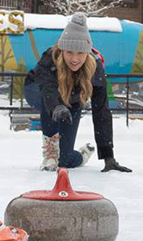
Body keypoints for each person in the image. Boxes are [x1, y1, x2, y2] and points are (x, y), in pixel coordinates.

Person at [24, 12, 132, 173]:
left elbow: (101, 111)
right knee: (49, 99)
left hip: (72, 99)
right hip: (37, 91)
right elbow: (47, 88)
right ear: (62, 50)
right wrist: (56, 107)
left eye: (80, 53)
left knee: (65, 161)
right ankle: (50, 153)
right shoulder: (50, 58)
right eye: (69, 52)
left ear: (87, 52)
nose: (74, 59)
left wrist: (108, 156)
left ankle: (81, 154)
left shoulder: (95, 68)